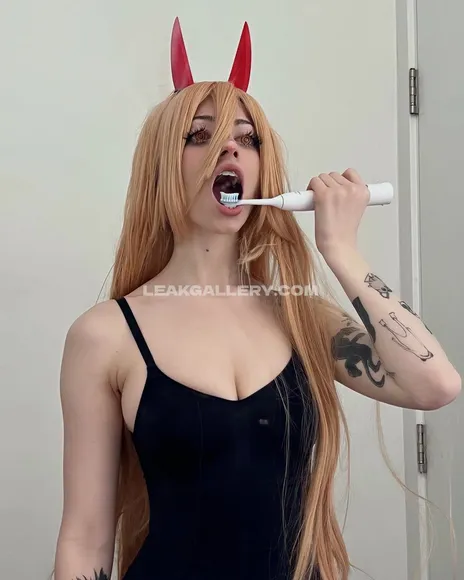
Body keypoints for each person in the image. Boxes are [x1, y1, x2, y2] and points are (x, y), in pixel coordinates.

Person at [53, 18, 461, 580]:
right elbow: (85, 539)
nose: (231, 148)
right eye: (199, 136)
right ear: (160, 167)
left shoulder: (302, 318)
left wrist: (342, 252)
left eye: (247, 139)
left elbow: (435, 384)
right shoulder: (105, 336)